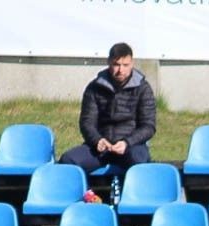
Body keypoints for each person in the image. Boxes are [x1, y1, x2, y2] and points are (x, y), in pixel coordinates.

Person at [58, 42, 156, 174]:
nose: (120, 70)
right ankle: (85, 194)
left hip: (131, 146)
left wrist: (127, 142)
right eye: (116, 65)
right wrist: (97, 140)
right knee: (67, 160)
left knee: (140, 163)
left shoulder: (143, 88)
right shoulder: (94, 88)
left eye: (125, 65)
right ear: (109, 62)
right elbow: (87, 122)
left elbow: (148, 126)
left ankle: (134, 194)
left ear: (132, 64)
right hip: (101, 148)